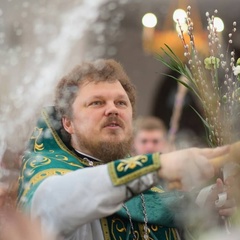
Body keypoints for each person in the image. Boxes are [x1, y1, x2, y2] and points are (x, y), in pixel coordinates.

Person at [17, 59, 233, 240]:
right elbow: (56, 202)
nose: (112, 109)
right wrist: (156, 167)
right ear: (68, 123)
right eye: (96, 103)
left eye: (121, 103)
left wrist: (204, 206)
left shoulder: (150, 185)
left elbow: (161, 206)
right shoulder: (47, 176)